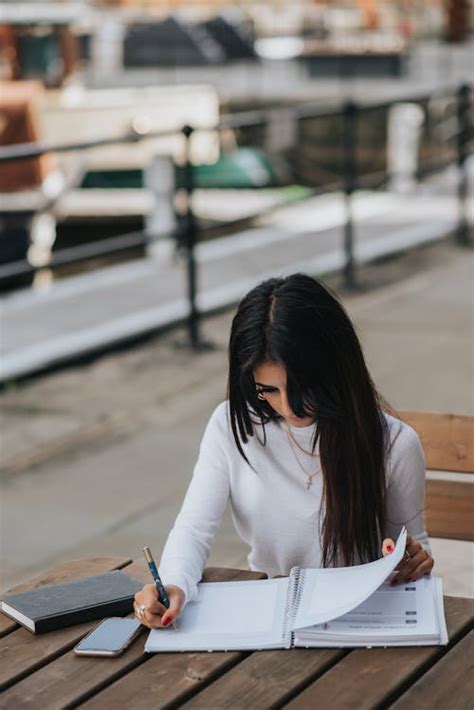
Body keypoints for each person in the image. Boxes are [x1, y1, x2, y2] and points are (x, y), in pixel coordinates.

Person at [134, 273, 434, 629]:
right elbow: (195, 528)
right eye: (269, 390)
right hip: (268, 615)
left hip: (356, 623)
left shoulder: (394, 444)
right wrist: (173, 583)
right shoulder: (232, 427)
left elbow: (410, 553)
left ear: (335, 367)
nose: (289, 407)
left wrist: (412, 562)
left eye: (301, 386)